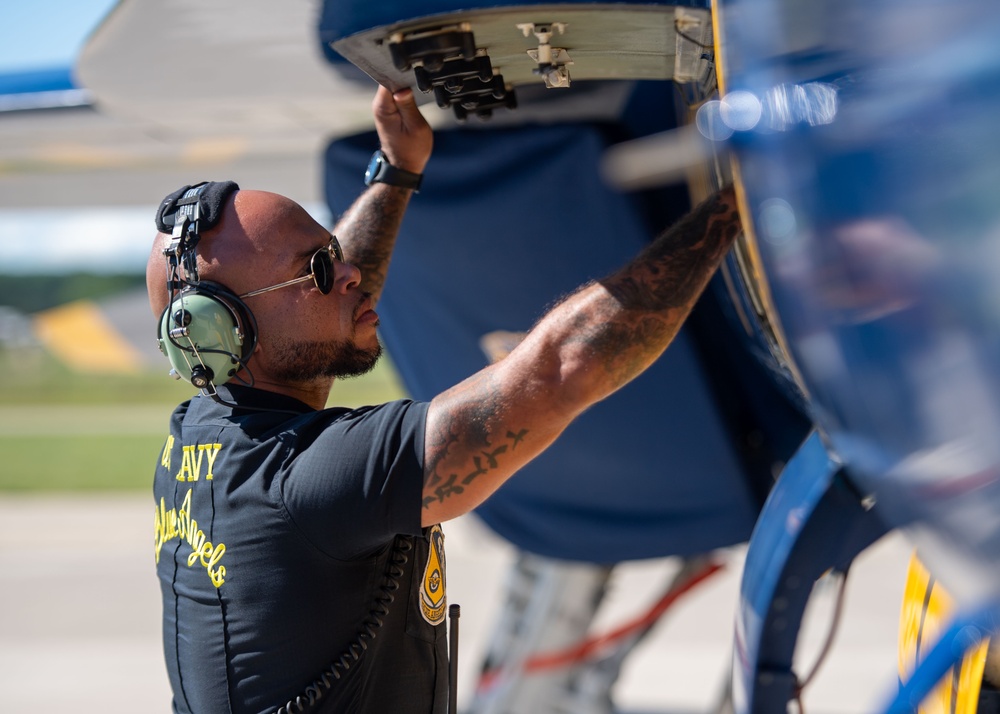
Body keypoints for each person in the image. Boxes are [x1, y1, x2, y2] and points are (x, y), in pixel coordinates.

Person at [147, 85, 742, 714]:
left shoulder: (205, 429)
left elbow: (311, 312)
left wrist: (396, 172)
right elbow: (559, 372)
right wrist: (740, 203)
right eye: (321, 268)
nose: (347, 273)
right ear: (226, 332)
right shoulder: (309, 484)